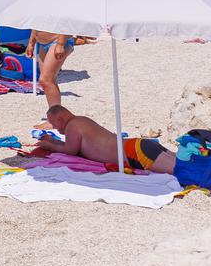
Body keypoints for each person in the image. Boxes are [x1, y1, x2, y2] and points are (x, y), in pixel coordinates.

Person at [27, 105, 176, 173]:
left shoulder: (72, 125)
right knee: (185, 162)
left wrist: (50, 146)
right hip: (139, 146)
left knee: (184, 171)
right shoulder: (81, 120)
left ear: (61, 118)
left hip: (134, 153)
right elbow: (72, 145)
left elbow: (70, 150)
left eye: (53, 123)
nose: (54, 128)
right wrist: (53, 141)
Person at [27, 30, 86, 106]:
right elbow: (36, 24)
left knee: (46, 80)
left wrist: (60, 44)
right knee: (48, 82)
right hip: (43, 43)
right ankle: (55, 112)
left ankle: (55, 113)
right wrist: (31, 43)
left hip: (58, 41)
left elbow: (65, 23)